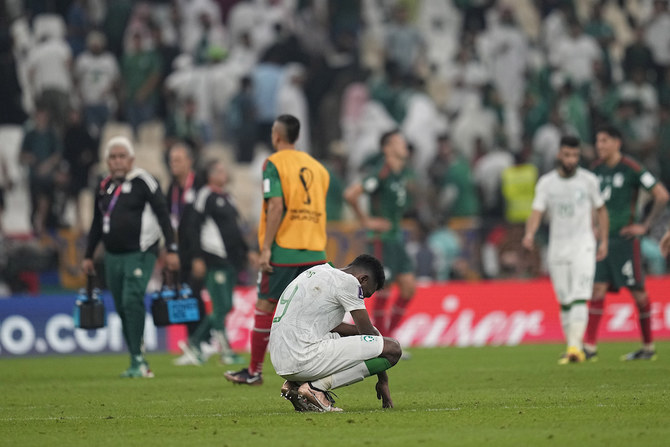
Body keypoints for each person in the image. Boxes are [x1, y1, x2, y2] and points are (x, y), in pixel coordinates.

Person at [224, 114, 330, 385]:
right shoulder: (319, 169)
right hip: (316, 251)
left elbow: (275, 206)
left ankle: (254, 372)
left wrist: (267, 248)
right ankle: (318, 374)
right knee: (310, 313)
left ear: (277, 136)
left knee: (265, 306)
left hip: (284, 250)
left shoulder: (273, 163)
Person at [82, 136, 179, 378]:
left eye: (121, 156)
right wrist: (88, 254)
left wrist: (172, 248)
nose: (117, 161)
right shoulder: (104, 185)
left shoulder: (144, 181)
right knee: (121, 306)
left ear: (131, 159)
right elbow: (97, 221)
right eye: (113, 157)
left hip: (141, 252)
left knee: (131, 298)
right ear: (107, 160)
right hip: (112, 256)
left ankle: (139, 358)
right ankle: (136, 356)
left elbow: (163, 215)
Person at [269, 254, 401, 412]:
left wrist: (357, 333)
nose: (362, 298)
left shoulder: (317, 271)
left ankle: (294, 386)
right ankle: (315, 388)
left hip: (280, 359)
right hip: (302, 357)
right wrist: (383, 380)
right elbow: (368, 334)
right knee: (393, 349)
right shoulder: (349, 282)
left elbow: (335, 327)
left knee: (350, 336)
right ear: (363, 279)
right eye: (365, 294)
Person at [584, 126, 670, 361]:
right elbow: (594, 203)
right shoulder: (596, 170)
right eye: (597, 141)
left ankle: (648, 347)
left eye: (604, 141)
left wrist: (645, 225)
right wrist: (592, 225)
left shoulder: (632, 168)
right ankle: (589, 348)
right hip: (603, 240)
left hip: (625, 240)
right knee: (597, 288)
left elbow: (661, 194)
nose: (599, 146)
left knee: (638, 291)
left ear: (616, 143)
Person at [522, 136, 609, 364]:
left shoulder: (588, 180)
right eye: (567, 155)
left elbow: (601, 210)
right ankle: (573, 345)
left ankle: (574, 348)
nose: (571, 160)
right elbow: (536, 212)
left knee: (580, 296)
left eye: (575, 156)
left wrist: (604, 241)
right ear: (559, 155)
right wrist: (530, 233)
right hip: (558, 247)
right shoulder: (546, 183)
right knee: (565, 299)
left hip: (584, 245)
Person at [344, 130, 416, 340]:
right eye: (398, 142)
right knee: (384, 288)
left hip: (396, 237)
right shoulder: (381, 173)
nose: (404, 145)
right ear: (387, 149)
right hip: (381, 239)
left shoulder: (401, 173)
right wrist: (366, 221)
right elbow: (351, 194)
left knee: (409, 288)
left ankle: (389, 337)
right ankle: (381, 341)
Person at [177, 159, 250, 366]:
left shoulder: (228, 197)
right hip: (214, 258)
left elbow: (235, 230)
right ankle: (225, 350)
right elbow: (193, 228)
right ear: (209, 175)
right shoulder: (205, 195)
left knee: (225, 307)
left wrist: (246, 252)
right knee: (221, 306)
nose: (223, 173)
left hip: (230, 261)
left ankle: (195, 342)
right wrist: (197, 257)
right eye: (218, 170)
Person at [165, 143, 208, 366]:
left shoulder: (199, 185)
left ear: (189, 161)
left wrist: (200, 256)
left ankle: (200, 344)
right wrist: (169, 250)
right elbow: (167, 223)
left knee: (194, 295)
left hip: (197, 253)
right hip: (179, 254)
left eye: (178, 159)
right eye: (172, 160)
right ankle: (195, 344)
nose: (174, 164)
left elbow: (203, 222)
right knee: (185, 298)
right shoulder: (171, 188)